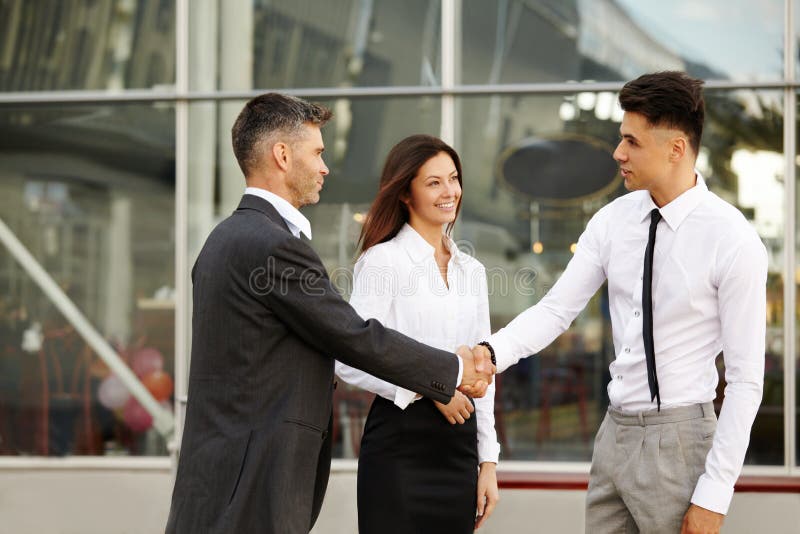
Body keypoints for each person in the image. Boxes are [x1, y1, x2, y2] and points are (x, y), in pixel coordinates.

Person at [165, 93, 494, 534]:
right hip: (256, 474)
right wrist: (451, 369)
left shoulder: (223, 239)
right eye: (318, 153)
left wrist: (485, 452)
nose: (324, 167)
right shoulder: (274, 246)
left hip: (222, 471)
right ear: (282, 155)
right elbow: (354, 336)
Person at [473, 71, 767, 534]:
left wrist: (715, 493)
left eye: (631, 141)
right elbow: (556, 309)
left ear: (676, 149)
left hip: (681, 440)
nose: (618, 153)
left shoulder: (733, 240)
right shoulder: (613, 221)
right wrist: (490, 354)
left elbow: (747, 380)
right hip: (614, 434)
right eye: (619, 138)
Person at [336, 135, 500, 533]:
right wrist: (432, 386)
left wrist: (488, 463)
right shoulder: (383, 262)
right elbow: (348, 359)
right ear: (405, 194)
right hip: (400, 444)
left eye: (454, 179)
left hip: (459, 448)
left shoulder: (472, 271)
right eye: (434, 183)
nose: (450, 192)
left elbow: (485, 370)